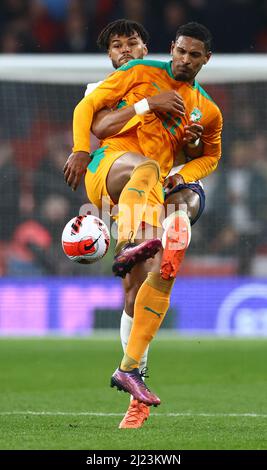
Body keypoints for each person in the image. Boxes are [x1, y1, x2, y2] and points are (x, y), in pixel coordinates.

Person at [64, 21, 222, 423]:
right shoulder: (135, 74)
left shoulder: (208, 109)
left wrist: (189, 154)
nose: (185, 60)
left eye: (194, 54)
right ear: (171, 48)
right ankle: (131, 241)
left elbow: (210, 157)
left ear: (206, 59)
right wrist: (81, 149)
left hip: (146, 192)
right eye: (181, 51)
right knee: (148, 167)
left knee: (148, 285)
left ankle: (131, 373)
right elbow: (91, 116)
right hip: (110, 169)